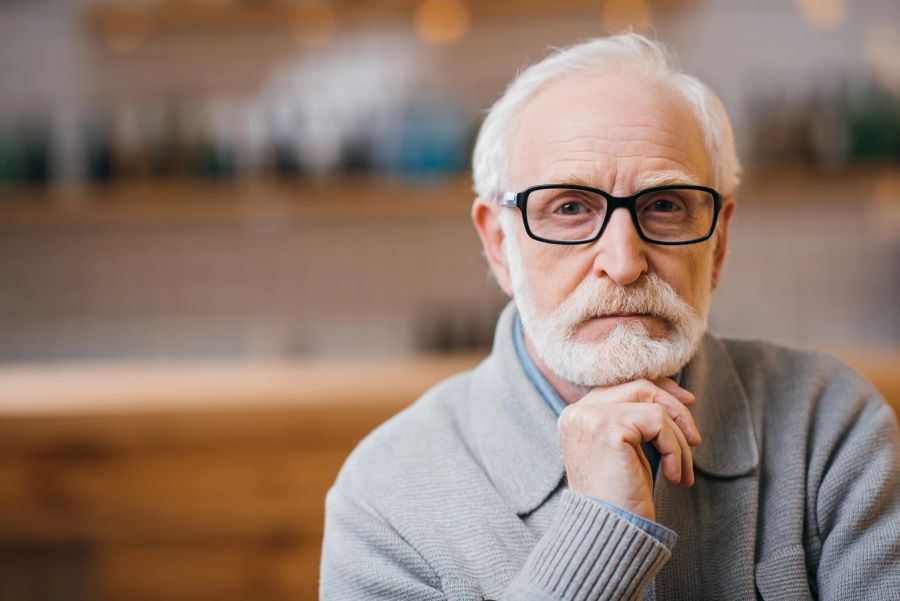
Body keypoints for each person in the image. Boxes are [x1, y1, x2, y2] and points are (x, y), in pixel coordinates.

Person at [319, 34, 900, 600]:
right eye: (569, 208)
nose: (623, 264)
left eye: (665, 206)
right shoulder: (386, 494)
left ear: (717, 244)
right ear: (500, 244)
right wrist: (599, 531)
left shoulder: (829, 427)